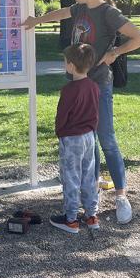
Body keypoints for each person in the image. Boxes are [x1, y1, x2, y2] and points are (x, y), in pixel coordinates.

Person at [21, 0, 140, 224]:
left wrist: (116, 52)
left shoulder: (108, 13)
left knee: (106, 139)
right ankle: (92, 192)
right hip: (77, 85)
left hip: (99, 85)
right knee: (87, 140)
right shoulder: (79, 9)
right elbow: (61, 13)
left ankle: (121, 195)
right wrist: (37, 20)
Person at [50, 43, 101, 234]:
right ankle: (91, 215)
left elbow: (62, 114)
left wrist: (60, 132)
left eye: (65, 62)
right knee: (88, 175)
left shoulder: (69, 90)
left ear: (71, 65)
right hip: (89, 137)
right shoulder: (94, 86)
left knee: (71, 177)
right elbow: (95, 112)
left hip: (71, 139)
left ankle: (70, 219)